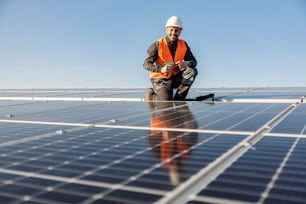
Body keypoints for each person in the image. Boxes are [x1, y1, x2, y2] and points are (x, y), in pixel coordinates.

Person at [143, 16, 198, 101]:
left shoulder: (183, 44)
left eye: (176, 30)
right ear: (166, 29)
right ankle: (151, 95)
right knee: (166, 101)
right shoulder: (157, 44)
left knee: (192, 71)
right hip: (160, 79)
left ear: (180, 31)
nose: (173, 33)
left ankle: (179, 99)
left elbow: (194, 62)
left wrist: (186, 64)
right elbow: (146, 64)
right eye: (171, 30)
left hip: (174, 77)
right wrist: (161, 69)